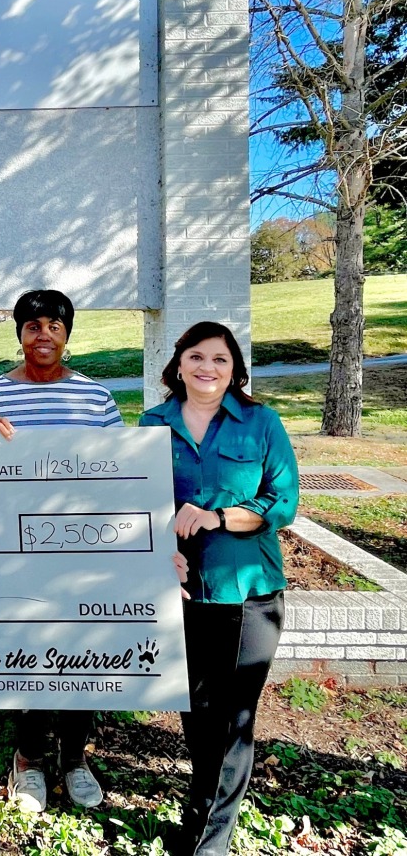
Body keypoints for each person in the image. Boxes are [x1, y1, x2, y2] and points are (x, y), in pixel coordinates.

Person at [139, 321, 298, 856]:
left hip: (248, 591)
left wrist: (219, 517)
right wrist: (158, 542)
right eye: (197, 356)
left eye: (221, 360)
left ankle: (212, 840)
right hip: (181, 592)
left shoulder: (260, 423)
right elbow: (139, 501)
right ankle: (201, 806)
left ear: (235, 371)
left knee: (233, 718)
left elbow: (283, 502)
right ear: (178, 363)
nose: (208, 368)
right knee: (196, 711)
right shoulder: (152, 423)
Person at [0, 289, 124, 813]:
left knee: (84, 652)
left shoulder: (96, 399)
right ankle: (29, 758)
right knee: (29, 652)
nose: (43, 335)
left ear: (67, 335)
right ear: (19, 335)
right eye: (32, 326)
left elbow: (121, 475)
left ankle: (76, 757)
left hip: (82, 552)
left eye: (54, 325)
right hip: (15, 551)